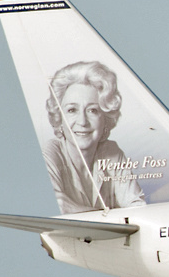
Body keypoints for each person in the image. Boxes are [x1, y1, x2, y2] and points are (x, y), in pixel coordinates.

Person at [42, 60, 146, 213]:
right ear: (59, 118)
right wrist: (106, 217)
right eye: (72, 110)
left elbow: (137, 206)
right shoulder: (50, 152)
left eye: (93, 111)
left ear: (106, 118)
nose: (82, 122)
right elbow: (59, 205)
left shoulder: (112, 153)